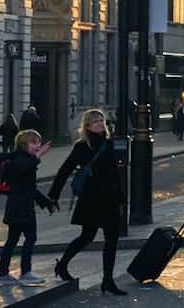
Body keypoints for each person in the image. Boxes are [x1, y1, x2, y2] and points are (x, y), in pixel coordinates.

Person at [48, 109, 126, 296]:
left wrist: (122, 197)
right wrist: (53, 196)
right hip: (91, 198)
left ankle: (108, 280)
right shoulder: (82, 146)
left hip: (110, 198)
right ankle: (63, 264)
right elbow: (64, 170)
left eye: (102, 121)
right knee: (86, 237)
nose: (100, 124)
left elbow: (116, 174)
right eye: (95, 122)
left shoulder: (110, 144)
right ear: (87, 126)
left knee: (112, 240)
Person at [0, 129, 57, 287]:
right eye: (33, 142)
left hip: (17, 207)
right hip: (22, 208)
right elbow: (23, 169)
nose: (37, 145)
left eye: (38, 142)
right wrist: (38, 156)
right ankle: (25, 272)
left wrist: (46, 203)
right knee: (29, 238)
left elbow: (31, 188)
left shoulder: (24, 160)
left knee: (13, 240)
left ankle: (3, 274)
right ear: (23, 145)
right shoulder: (20, 159)